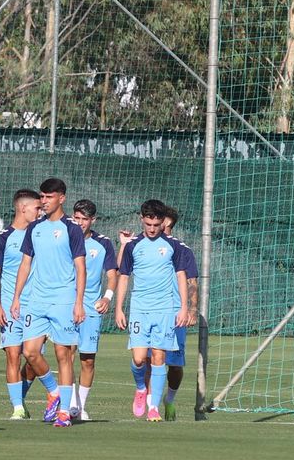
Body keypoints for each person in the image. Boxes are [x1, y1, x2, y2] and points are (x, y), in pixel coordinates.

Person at [10, 178, 87, 427]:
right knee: (30, 352)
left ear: (61, 198)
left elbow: (80, 267)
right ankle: (53, 391)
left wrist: (78, 302)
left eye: (49, 197)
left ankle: (64, 411)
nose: (43, 202)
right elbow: (25, 263)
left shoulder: (72, 228)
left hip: (63, 300)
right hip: (37, 300)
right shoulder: (35, 228)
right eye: (41, 197)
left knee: (63, 354)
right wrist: (17, 297)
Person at [114, 200, 190, 421]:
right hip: (140, 308)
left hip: (165, 309)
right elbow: (124, 276)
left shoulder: (173, 246)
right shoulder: (132, 245)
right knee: (139, 359)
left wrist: (183, 307)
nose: (152, 228)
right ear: (142, 219)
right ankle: (140, 388)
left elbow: (181, 277)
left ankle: (154, 407)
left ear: (162, 222)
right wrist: (119, 308)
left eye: (156, 224)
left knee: (159, 356)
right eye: (148, 224)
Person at [0, 189, 42, 419]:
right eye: (37, 208)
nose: (40, 211)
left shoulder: (41, 234)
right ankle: (17, 408)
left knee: (33, 359)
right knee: (13, 355)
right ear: (23, 208)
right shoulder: (2, 238)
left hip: (37, 307)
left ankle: (19, 395)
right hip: (11, 307)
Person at [67, 199, 117, 421]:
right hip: (66, 306)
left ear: (92, 220)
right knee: (66, 354)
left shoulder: (103, 243)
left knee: (87, 359)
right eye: (76, 218)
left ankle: (81, 405)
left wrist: (107, 298)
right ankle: (69, 405)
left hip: (91, 308)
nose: (79, 223)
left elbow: (112, 274)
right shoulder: (64, 238)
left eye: (84, 219)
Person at [158, 206, 199, 422]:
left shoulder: (183, 250)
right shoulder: (142, 245)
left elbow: (192, 282)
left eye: (165, 224)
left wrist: (191, 309)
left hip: (176, 313)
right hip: (151, 310)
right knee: (145, 360)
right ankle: (151, 404)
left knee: (175, 364)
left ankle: (170, 399)